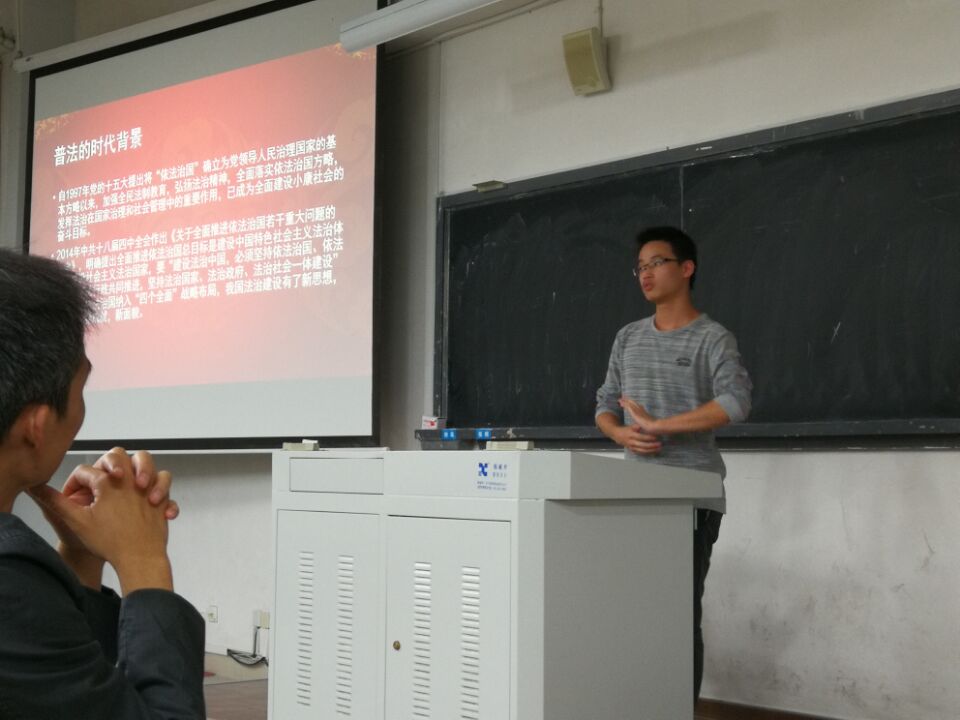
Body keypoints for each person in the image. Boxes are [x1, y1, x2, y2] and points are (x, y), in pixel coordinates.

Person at [0, 248, 205, 719]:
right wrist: (144, 562)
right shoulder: (10, 584)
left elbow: (64, 688)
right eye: (81, 390)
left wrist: (80, 555)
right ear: (36, 425)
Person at [595, 226, 752, 701]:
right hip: (632, 495)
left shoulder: (712, 338)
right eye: (640, 267)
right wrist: (620, 432)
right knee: (634, 611)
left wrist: (661, 426)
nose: (645, 274)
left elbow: (736, 402)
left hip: (691, 498)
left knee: (679, 614)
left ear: (686, 268)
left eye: (656, 263)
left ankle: (678, 709)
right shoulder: (628, 337)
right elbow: (605, 403)